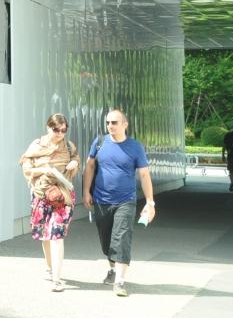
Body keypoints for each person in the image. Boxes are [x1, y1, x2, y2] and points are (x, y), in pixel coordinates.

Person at [83, 108, 155, 297]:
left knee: (122, 238)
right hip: (101, 199)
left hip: (126, 201)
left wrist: (150, 202)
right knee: (106, 240)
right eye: (108, 122)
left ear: (125, 124)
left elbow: (144, 174)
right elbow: (89, 166)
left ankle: (120, 281)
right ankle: (113, 269)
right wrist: (86, 191)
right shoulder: (99, 142)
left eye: (114, 122)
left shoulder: (135, 147)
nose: (110, 126)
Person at [19, 113, 79, 292]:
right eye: (56, 130)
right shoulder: (37, 145)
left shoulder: (69, 146)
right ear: (48, 127)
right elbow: (26, 168)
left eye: (63, 130)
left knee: (56, 235)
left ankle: (56, 280)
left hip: (62, 195)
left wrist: (75, 163)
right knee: (46, 234)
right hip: (41, 194)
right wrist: (44, 170)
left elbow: (76, 159)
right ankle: (50, 266)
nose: (60, 134)